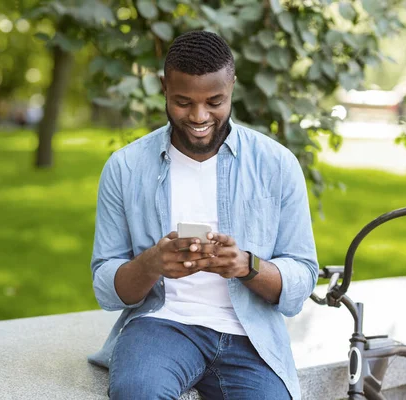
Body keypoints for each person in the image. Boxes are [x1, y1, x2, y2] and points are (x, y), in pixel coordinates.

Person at [88, 30, 318, 400]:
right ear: (164, 88)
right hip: (161, 325)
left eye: (215, 101)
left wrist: (246, 265)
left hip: (250, 334)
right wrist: (152, 262)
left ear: (232, 87)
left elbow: (302, 275)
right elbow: (106, 286)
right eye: (183, 102)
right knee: (137, 393)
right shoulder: (126, 167)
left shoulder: (277, 165)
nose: (198, 116)